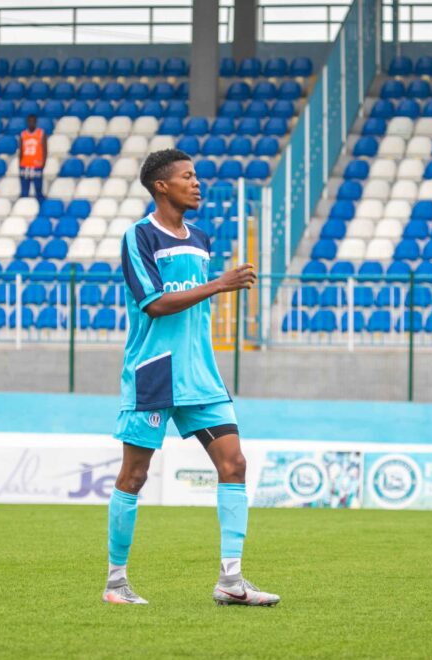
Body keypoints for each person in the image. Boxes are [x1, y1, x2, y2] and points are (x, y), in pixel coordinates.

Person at [103, 149, 280, 608]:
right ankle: (116, 582)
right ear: (162, 186)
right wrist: (219, 284)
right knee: (134, 474)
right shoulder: (138, 236)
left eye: (196, 176)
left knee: (234, 464)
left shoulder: (200, 237)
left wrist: (213, 285)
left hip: (201, 374)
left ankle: (231, 580)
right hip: (155, 372)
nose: (196, 183)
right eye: (187, 176)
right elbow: (155, 303)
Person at [18, 114, 46, 201]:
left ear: (36, 122)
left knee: (38, 190)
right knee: (24, 191)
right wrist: (20, 164)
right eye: (29, 121)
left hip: (37, 165)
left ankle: (40, 207)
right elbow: (21, 150)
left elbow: (45, 150)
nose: (31, 123)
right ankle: (23, 207)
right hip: (25, 165)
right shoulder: (23, 134)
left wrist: (43, 163)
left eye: (33, 121)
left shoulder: (41, 133)